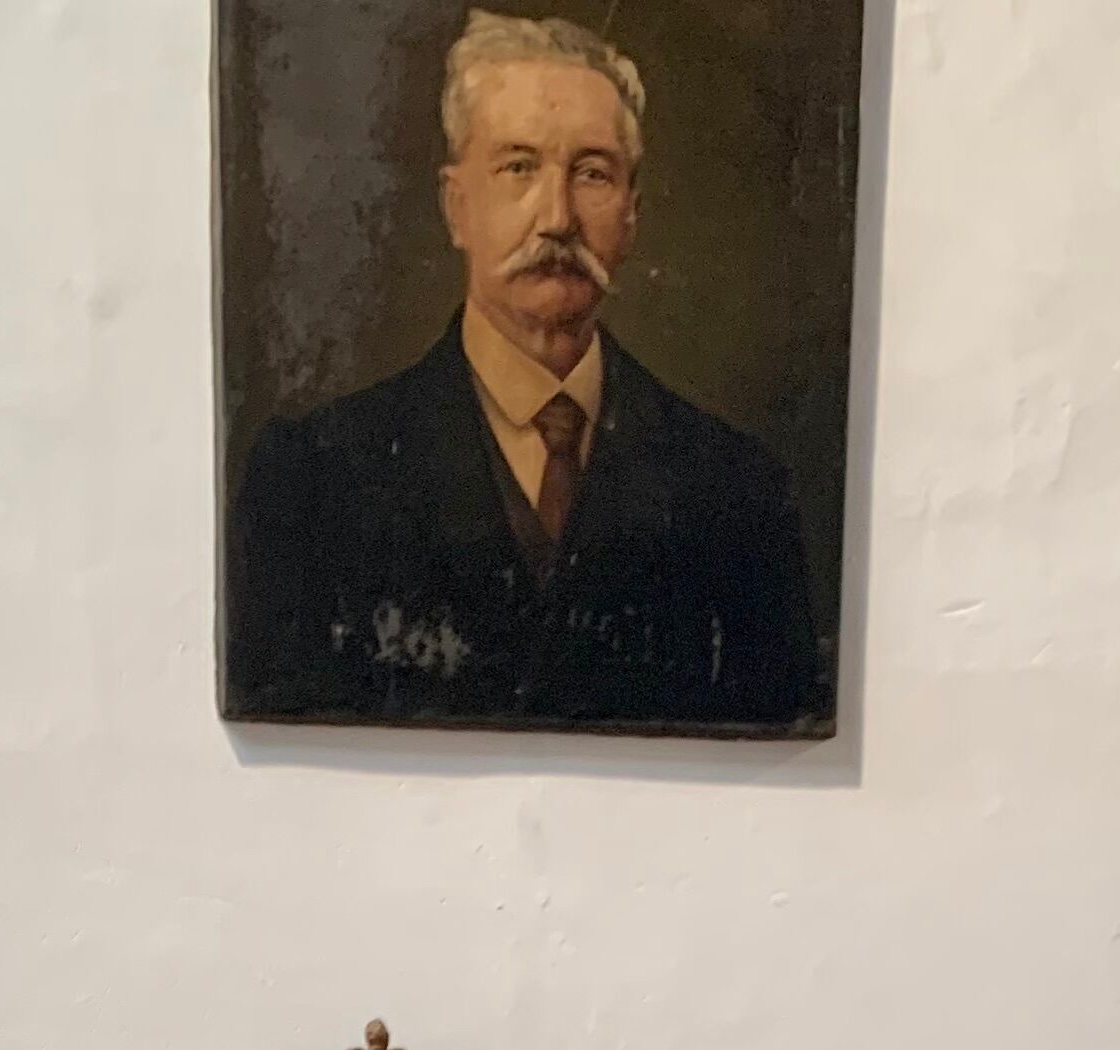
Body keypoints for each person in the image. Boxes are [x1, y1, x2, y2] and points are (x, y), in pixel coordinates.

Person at [224, 9, 825, 736]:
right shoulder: (312, 480)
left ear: (632, 217)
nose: (558, 218)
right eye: (518, 167)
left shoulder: (737, 490)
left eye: (593, 174)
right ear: (456, 207)